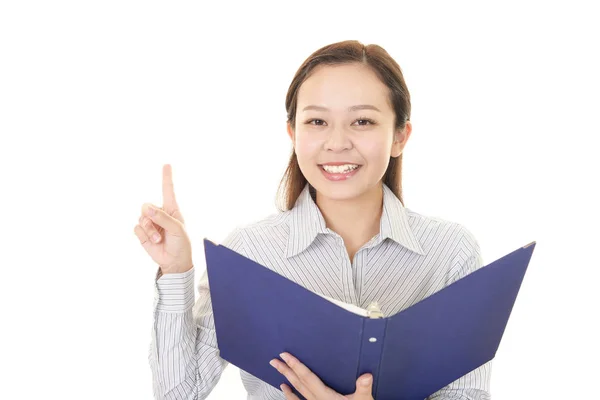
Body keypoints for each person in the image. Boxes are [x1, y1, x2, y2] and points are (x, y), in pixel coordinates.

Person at [134, 40, 492, 400]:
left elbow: (468, 395)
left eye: (362, 121)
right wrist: (176, 270)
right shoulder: (249, 252)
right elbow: (179, 393)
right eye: (317, 121)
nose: (337, 143)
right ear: (293, 134)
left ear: (400, 136)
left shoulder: (450, 252)